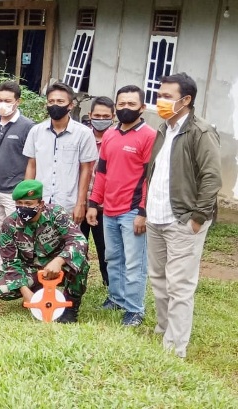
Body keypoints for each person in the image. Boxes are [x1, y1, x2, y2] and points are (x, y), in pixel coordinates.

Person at [145, 73, 221, 358]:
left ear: (186, 100)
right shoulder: (164, 129)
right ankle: (163, 329)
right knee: (159, 278)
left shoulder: (201, 131)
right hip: (157, 217)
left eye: (167, 96)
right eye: (159, 94)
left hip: (183, 219)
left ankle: (175, 347)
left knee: (180, 284)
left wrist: (197, 217)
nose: (160, 100)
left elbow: (212, 178)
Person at [86, 85, 156, 327]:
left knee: (135, 262)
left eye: (132, 104)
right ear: (116, 107)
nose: (126, 108)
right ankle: (116, 298)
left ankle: (135, 309)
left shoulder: (149, 136)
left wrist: (143, 212)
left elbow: (150, 178)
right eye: (122, 104)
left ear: (142, 107)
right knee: (112, 257)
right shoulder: (110, 135)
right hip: (109, 210)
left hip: (133, 211)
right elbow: (102, 173)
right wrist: (94, 203)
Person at [0, 180, 90, 323]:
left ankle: (71, 307)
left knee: (80, 262)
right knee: (2, 289)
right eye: (19, 203)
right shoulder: (10, 224)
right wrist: (26, 293)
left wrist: (59, 260)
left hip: (59, 268)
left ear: (41, 204)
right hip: (33, 270)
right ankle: (38, 293)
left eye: (28, 204)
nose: (23, 208)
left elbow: (79, 241)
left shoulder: (57, 214)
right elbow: (11, 262)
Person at [0, 81, 35, 276]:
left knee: (17, 229)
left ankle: (17, 267)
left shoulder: (28, 126)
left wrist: (26, 189)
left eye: (7, 100)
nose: (3, 104)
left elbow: (31, 160)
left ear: (17, 102)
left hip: (15, 190)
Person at [23, 81, 98, 224]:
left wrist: (80, 203)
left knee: (68, 244)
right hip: (40, 202)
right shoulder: (36, 131)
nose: (55, 105)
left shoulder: (84, 133)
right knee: (40, 243)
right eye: (51, 101)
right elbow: (31, 165)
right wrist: (28, 198)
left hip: (68, 204)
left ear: (71, 105)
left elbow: (86, 170)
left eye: (60, 101)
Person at [80, 96, 114, 287]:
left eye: (106, 116)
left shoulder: (116, 139)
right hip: (81, 203)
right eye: (97, 115)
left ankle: (109, 284)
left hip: (104, 206)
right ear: (90, 115)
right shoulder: (81, 137)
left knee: (106, 249)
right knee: (77, 245)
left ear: (113, 117)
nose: (101, 119)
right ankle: (77, 282)